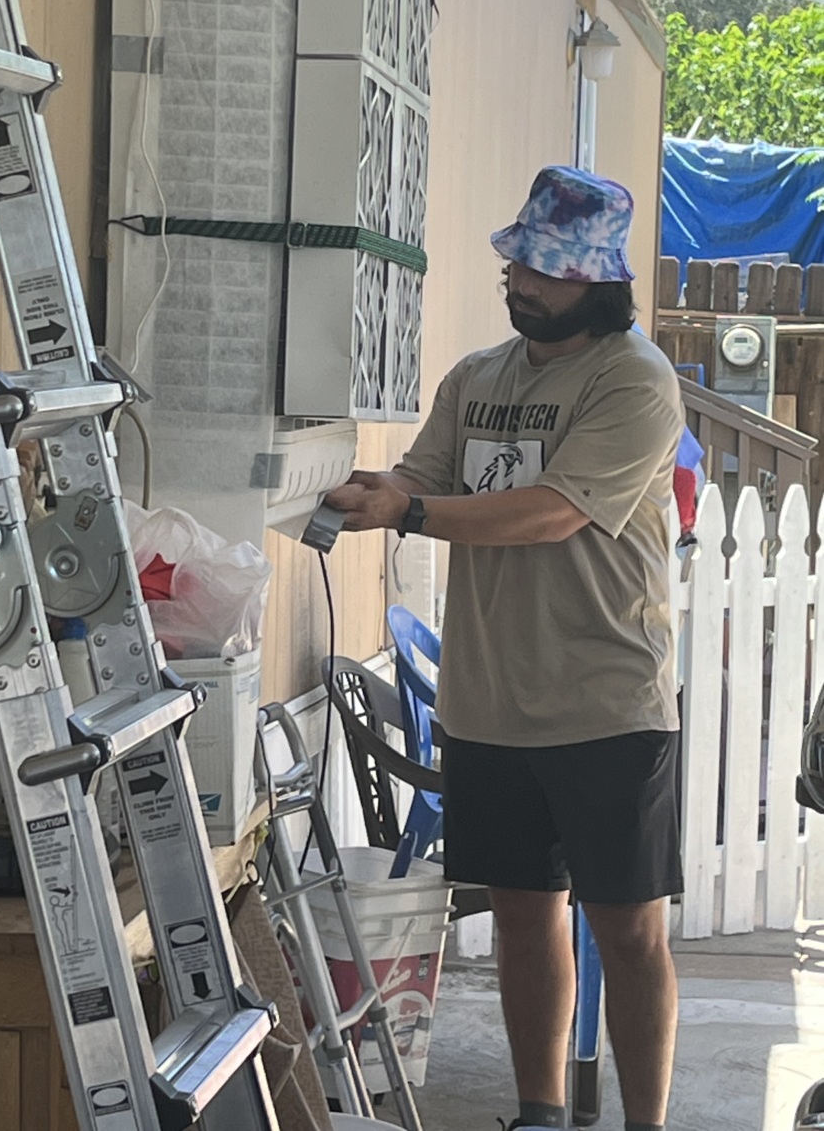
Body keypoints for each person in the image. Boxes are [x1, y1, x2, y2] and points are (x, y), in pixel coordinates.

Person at [326, 166, 684, 1131]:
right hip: (487, 703)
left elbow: (549, 513)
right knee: (524, 916)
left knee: (628, 930)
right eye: (516, 261)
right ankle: (540, 1114)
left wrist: (411, 509)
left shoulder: (633, 381)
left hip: (606, 703)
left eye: (545, 268)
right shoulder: (475, 376)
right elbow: (422, 480)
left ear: (596, 282)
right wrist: (364, 496)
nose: (520, 281)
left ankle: (642, 1124)